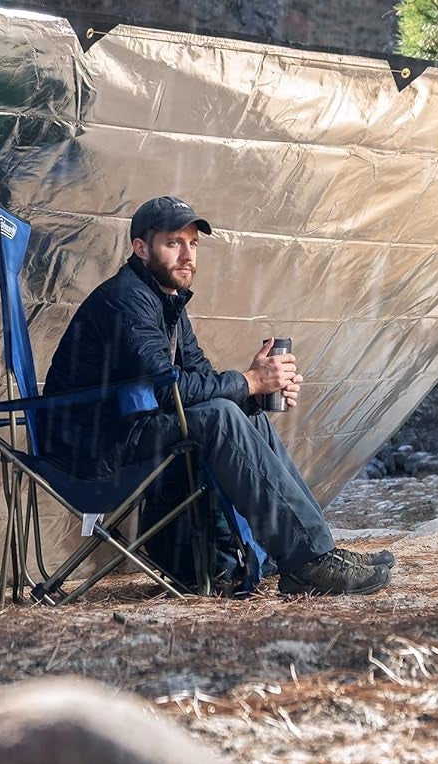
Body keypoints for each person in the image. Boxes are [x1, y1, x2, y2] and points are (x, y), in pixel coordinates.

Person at [39, 196, 393, 597]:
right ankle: (311, 561)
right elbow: (168, 388)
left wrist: (259, 392)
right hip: (89, 451)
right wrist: (250, 381)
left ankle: (307, 555)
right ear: (141, 248)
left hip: (127, 431)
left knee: (243, 413)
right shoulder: (126, 300)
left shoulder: (167, 302)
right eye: (174, 243)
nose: (188, 255)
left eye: (193, 244)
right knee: (220, 415)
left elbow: (199, 379)